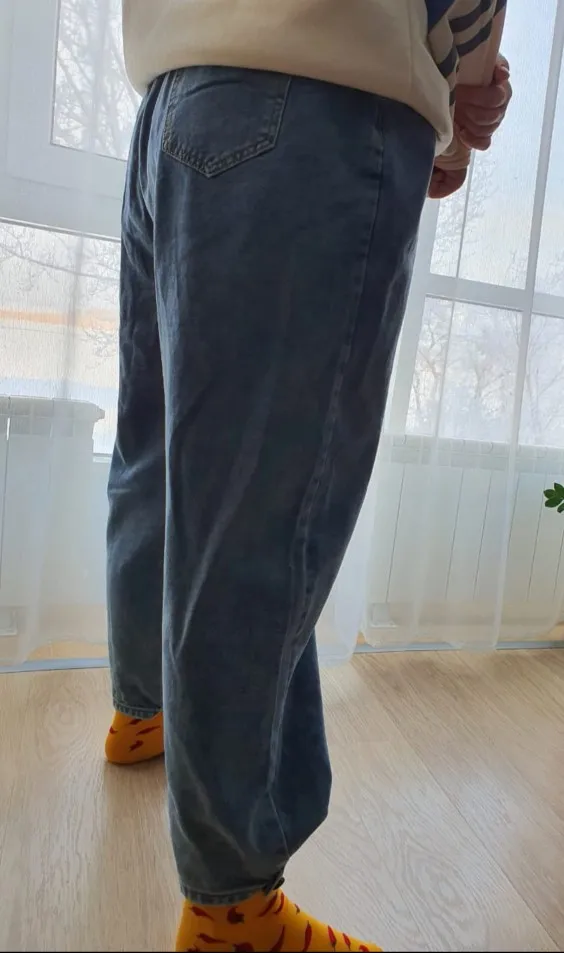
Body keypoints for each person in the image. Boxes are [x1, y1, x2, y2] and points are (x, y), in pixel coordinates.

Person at [105, 2, 512, 950]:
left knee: (160, 453)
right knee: (265, 510)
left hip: (177, 98)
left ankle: (142, 711)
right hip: (317, 95)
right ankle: (232, 905)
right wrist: (463, 94)